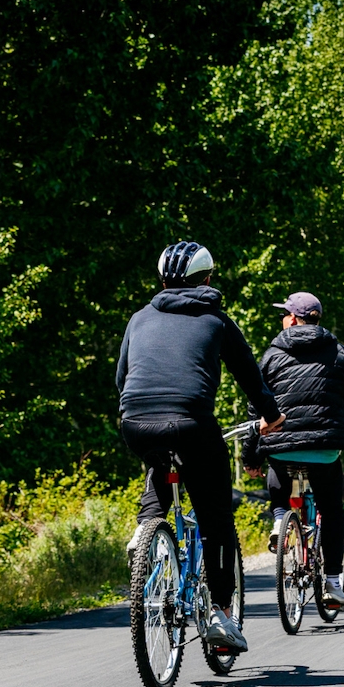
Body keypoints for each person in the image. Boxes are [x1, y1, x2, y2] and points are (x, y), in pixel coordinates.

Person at [116, 241, 285, 653]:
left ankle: (146, 532)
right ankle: (221, 615)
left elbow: (121, 378)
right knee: (215, 519)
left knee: (160, 462)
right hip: (192, 423)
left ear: (162, 281)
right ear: (207, 279)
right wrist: (272, 415)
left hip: (135, 421)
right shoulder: (216, 321)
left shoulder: (139, 319)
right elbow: (250, 376)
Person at [242, 291, 344, 612]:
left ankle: (279, 519)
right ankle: (332, 582)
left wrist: (252, 454)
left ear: (292, 319)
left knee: (279, 470)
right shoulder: (340, 352)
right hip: (325, 447)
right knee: (332, 511)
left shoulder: (273, 355)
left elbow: (255, 410)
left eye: (284, 315)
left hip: (281, 446)